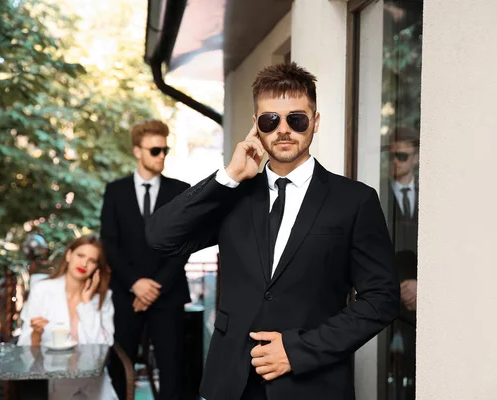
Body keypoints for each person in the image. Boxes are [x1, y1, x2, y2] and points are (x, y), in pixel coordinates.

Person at [146, 62, 399, 400]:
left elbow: (381, 299)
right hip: (232, 384)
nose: (283, 130)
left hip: (311, 384)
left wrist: (298, 350)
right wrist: (229, 176)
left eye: (296, 119)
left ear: (315, 122)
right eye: (270, 120)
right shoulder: (232, 193)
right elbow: (161, 236)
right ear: (256, 126)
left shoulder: (354, 201)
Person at [100, 119, 191, 400]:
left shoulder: (180, 190)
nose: (162, 155)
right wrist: (136, 284)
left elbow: (183, 245)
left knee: (173, 368)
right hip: (128, 294)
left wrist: (154, 287)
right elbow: (109, 244)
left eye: (165, 149)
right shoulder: (115, 191)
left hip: (169, 292)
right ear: (137, 151)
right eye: (155, 150)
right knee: (120, 364)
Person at [18, 235, 116, 399]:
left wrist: (87, 304)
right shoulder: (42, 290)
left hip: (94, 384)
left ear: (97, 268)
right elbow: (25, 349)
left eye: (92, 260)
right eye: (80, 255)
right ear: (69, 255)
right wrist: (36, 333)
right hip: (57, 380)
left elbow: (102, 349)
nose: (84, 264)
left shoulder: (103, 298)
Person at [381, 127, 420, 398]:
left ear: (416, 157)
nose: (396, 162)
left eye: (403, 156)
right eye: (392, 156)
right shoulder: (377, 193)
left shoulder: (433, 193)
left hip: (422, 303)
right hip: (389, 299)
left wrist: (422, 285)